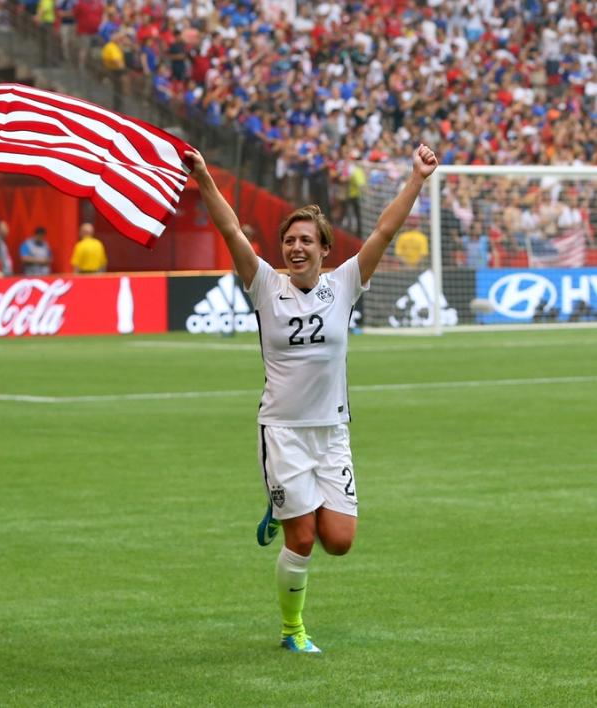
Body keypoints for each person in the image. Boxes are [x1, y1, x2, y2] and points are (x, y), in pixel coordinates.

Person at [187, 144, 438, 654]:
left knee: (339, 542)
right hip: (281, 431)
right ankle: (292, 629)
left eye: (306, 240)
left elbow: (383, 232)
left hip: (332, 432)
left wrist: (416, 178)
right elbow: (233, 230)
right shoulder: (263, 285)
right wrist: (205, 179)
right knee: (301, 541)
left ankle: (287, 503)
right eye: (289, 239)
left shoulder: (344, 284)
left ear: (324, 248)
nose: (296, 247)